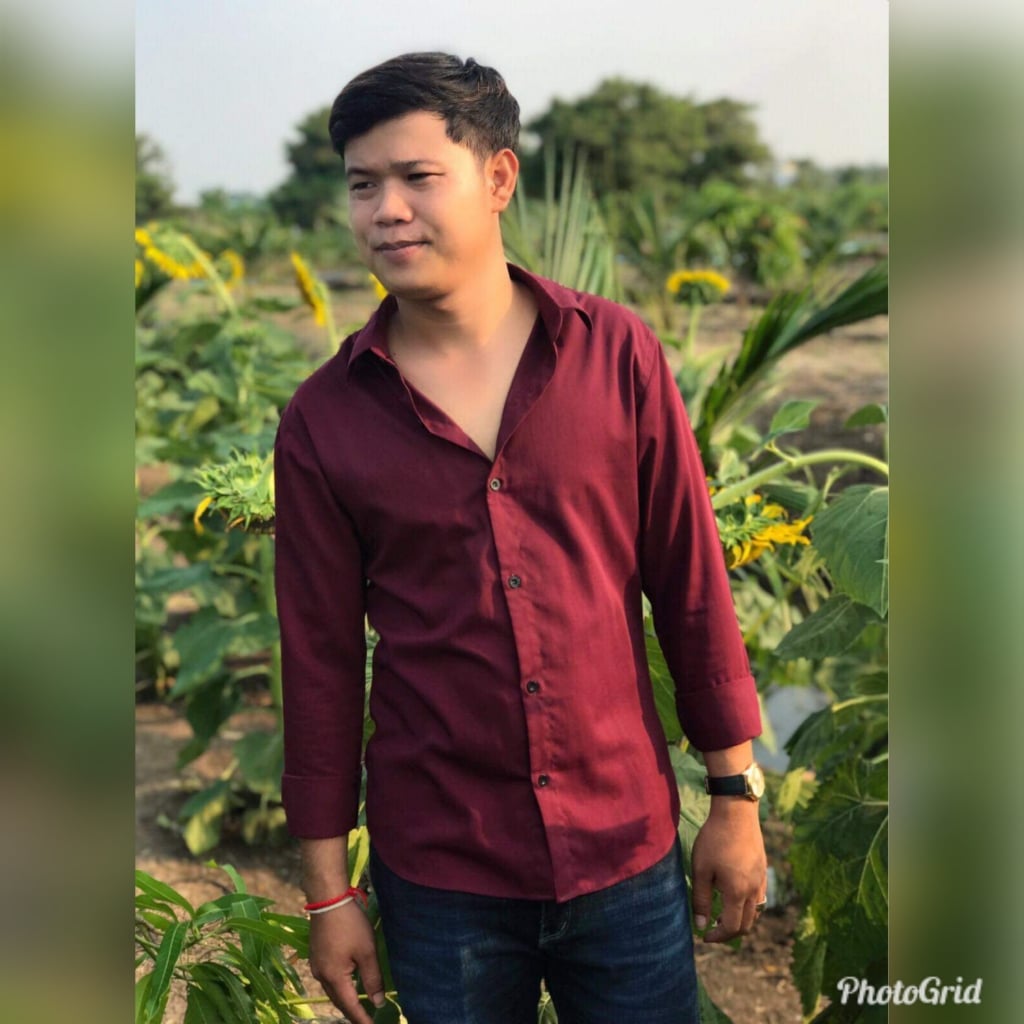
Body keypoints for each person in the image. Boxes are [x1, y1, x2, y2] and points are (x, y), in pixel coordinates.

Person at [273, 52, 767, 1024]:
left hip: (624, 852)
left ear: (498, 177)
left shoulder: (617, 355)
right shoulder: (326, 419)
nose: (386, 211)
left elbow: (690, 583)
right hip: (443, 872)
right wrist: (329, 892)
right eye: (363, 185)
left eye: (417, 177)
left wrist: (734, 795)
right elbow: (320, 663)